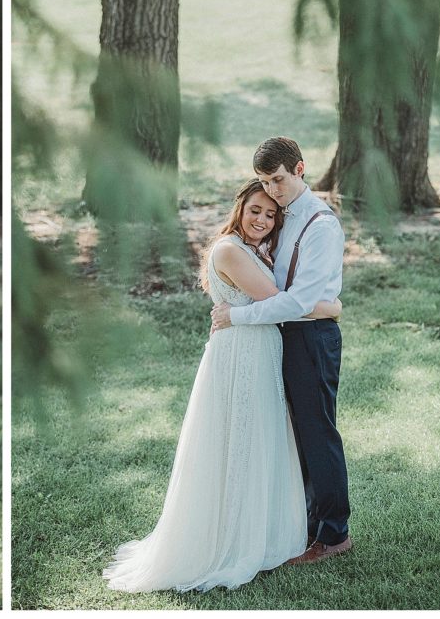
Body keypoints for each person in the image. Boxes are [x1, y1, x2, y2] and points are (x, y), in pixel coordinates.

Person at [103, 179, 342, 593]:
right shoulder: (231, 249)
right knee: (241, 442)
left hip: (258, 351)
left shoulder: (250, 249)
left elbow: (278, 301)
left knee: (257, 440)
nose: (264, 220)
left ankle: (265, 528)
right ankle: (234, 537)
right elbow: (282, 299)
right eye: (256, 210)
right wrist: (332, 307)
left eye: (271, 214)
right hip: (243, 356)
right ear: (239, 207)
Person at [211, 136, 352, 564]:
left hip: (311, 337)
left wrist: (235, 317)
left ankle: (333, 535)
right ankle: (304, 525)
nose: (271, 191)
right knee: (293, 434)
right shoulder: (282, 217)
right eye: (263, 183)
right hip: (284, 334)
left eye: (277, 180)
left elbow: (296, 301)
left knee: (317, 431)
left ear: (299, 170)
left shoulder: (320, 225)